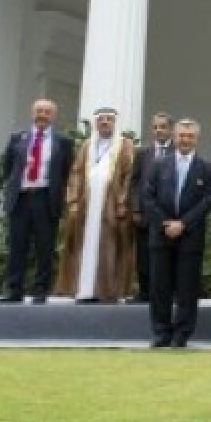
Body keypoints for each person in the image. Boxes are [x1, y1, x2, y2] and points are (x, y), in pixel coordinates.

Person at [142, 119, 211, 348]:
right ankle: (160, 333)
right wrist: (166, 223)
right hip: (161, 234)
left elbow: (208, 200)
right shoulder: (158, 165)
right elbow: (147, 197)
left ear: (197, 139)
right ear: (174, 137)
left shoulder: (206, 168)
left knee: (187, 288)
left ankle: (181, 335)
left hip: (190, 236)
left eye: (190, 136)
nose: (185, 140)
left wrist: (183, 224)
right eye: (181, 135)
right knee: (160, 288)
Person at [0, 99, 74, 305]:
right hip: (21, 198)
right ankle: (14, 290)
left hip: (45, 199)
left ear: (53, 116)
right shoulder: (17, 138)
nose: (42, 115)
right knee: (17, 246)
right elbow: (8, 169)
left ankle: (40, 291)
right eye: (39, 111)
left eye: (47, 112)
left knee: (45, 248)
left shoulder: (63, 142)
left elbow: (66, 173)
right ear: (32, 113)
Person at [55, 107, 136, 303]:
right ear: (96, 123)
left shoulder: (125, 146)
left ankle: (108, 291)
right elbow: (75, 173)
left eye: (109, 119)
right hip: (86, 205)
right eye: (101, 120)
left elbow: (129, 176)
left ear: (114, 123)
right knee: (83, 245)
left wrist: (122, 202)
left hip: (111, 205)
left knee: (110, 247)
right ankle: (84, 290)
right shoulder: (86, 146)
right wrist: (73, 201)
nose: (105, 122)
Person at [126, 113, 173, 304]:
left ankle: (169, 294)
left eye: (162, 127)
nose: (158, 131)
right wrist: (135, 208)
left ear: (170, 129)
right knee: (144, 256)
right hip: (145, 214)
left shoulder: (178, 150)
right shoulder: (143, 153)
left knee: (169, 256)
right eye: (155, 127)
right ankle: (144, 292)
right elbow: (135, 182)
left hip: (169, 214)